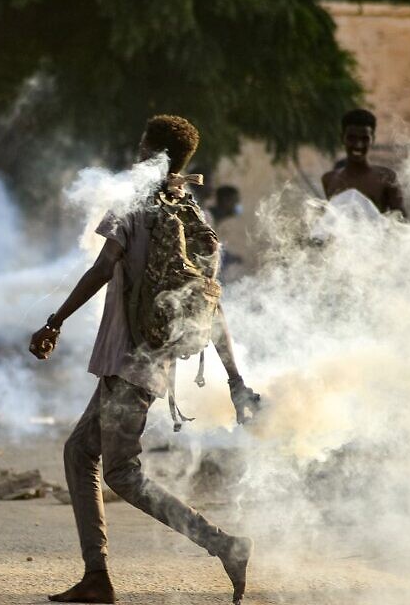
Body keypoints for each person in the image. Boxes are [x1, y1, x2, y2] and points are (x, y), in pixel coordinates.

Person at [29, 116, 257, 604]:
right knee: (78, 452)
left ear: (155, 156)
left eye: (142, 149)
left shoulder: (134, 204)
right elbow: (211, 304)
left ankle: (224, 545)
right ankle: (97, 577)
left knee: (122, 473)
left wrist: (55, 320)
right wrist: (234, 379)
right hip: (150, 364)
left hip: (127, 364)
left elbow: (101, 268)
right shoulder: (189, 211)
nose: (135, 157)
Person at [321, 109, 405, 216]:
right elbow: (330, 222)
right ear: (342, 138)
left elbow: (402, 223)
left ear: (372, 139)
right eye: (352, 138)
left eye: (364, 139)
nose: (358, 145)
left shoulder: (386, 178)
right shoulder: (329, 179)